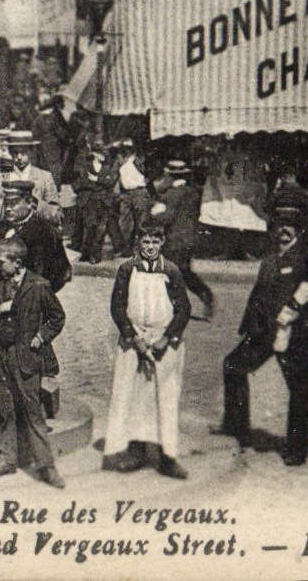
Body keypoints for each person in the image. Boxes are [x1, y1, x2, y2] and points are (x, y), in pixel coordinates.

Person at [217, 206, 308, 466]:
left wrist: (305, 314)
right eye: (279, 224)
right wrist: (250, 325)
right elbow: (258, 294)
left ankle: (296, 450)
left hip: (294, 334)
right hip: (263, 331)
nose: (283, 230)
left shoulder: (307, 257)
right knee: (233, 366)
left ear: (299, 230)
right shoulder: (271, 255)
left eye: (289, 225)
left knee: (298, 391)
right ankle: (238, 430)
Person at [102, 208, 191, 478]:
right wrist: (134, 338)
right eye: (145, 241)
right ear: (138, 242)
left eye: (155, 241)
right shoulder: (127, 269)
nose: (150, 247)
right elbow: (118, 307)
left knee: (165, 395)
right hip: (134, 341)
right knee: (133, 395)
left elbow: (183, 309)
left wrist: (167, 338)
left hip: (164, 341)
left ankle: (167, 456)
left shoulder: (171, 271)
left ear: (162, 242)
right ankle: (136, 450)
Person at [0, 237, 65, 487]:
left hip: (25, 358)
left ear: (17, 263)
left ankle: (46, 467)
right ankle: (6, 460)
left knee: (32, 412)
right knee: (4, 409)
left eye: (1, 262)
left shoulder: (38, 285)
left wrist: (41, 337)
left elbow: (57, 317)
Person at [154, 159, 214, 317]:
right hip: (189, 238)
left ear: (170, 176)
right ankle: (204, 294)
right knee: (184, 271)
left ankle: (176, 305)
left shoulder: (171, 195)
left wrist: (153, 214)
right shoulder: (192, 192)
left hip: (174, 239)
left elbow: (166, 218)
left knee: (168, 272)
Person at [0, 132, 63, 232]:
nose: (19, 157)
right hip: (9, 235)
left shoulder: (44, 177)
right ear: (10, 152)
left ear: (31, 152)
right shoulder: (1, 177)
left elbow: (58, 216)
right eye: (15, 152)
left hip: (36, 234)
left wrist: (36, 203)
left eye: (23, 152)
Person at [75, 144, 112, 263]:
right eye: (101, 153)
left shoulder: (107, 168)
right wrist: (101, 183)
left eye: (104, 154)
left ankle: (95, 255)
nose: (103, 156)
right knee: (90, 227)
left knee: (101, 229)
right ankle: (87, 253)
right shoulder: (86, 166)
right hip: (90, 201)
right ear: (95, 154)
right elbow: (81, 183)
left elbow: (110, 182)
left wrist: (96, 180)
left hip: (103, 201)